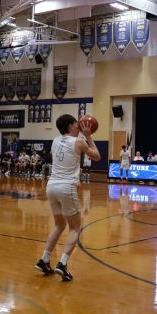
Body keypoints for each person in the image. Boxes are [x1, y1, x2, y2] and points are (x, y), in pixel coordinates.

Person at [34, 114, 100, 280]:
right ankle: (62, 264)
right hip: (66, 186)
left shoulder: (55, 140)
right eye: (77, 124)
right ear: (71, 127)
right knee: (75, 228)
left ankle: (44, 259)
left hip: (51, 186)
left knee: (59, 225)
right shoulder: (79, 141)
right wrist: (89, 136)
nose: (80, 126)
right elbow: (97, 157)